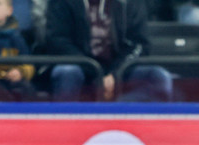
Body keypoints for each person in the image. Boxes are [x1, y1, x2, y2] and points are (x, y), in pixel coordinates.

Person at [45, 0, 173, 101]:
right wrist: (95, 72)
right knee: (66, 71)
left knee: (158, 76)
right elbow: (58, 41)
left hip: (120, 69)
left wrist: (115, 74)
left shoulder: (129, 2)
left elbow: (140, 44)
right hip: (82, 67)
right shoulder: (61, 2)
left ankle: (129, 122)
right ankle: (67, 128)